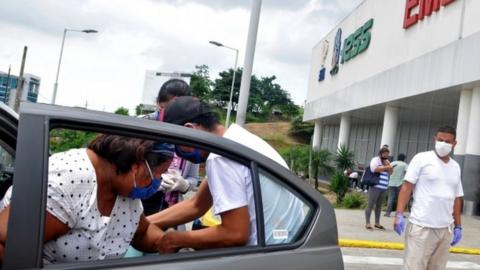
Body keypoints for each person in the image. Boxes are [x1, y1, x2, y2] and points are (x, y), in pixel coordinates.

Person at [147, 96, 305, 252]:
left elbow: (235, 234)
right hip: (288, 248)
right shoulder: (236, 140)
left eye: (177, 144)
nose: (178, 153)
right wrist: (143, 223)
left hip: (265, 257)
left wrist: (176, 239)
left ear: (189, 129)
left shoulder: (221, 158)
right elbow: (196, 205)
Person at [0, 134, 174, 263]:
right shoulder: (69, 179)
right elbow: (7, 247)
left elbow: (142, 232)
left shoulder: (125, 191)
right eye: (159, 173)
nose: (158, 181)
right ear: (137, 166)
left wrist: (168, 241)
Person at [394, 126, 463, 270]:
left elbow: (457, 198)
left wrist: (458, 226)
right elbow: (407, 187)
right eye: (440, 140)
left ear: (454, 144)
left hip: (445, 230)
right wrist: (398, 214)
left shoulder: (455, 166)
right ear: (435, 139)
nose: (443, 144)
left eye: (447, 141)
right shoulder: (422, 158)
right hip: (421, 227)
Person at [142, 78, 199, 216]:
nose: (167, 116)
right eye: (163, 109)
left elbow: (194, 178)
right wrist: (150, 183)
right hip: (139, 206)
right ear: (157, 104)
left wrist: (184, 185)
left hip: (170, 212)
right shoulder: (142, 125)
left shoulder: (191, 134)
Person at [364, 145, 392, 230]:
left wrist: (389, 167)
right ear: (381, 153)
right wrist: (386, 167)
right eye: (385, 154)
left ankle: (377, 223)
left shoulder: (387, 161)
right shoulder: (375, 160)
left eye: (387, 154)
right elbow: (374, 169)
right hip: (375, 186)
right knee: (371, 204)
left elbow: (390, 173)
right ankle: (368, 223)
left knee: (379, 206)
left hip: (383, 187)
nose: (386, 156)